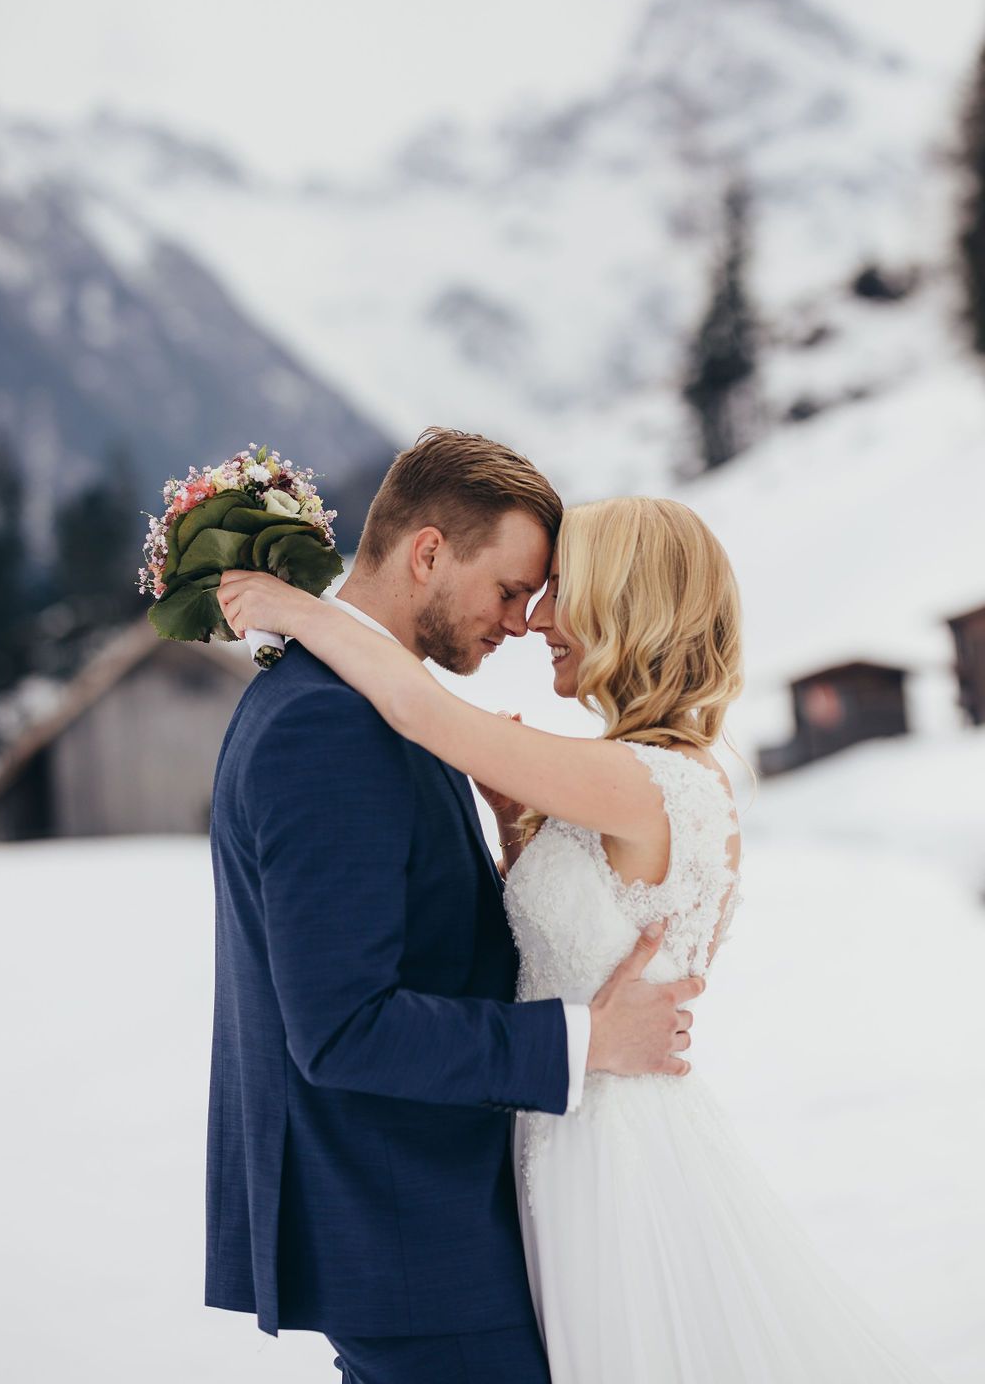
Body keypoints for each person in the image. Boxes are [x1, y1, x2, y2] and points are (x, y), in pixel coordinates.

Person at [220, 492, 942, 1384]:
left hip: (606, 1156)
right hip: (555, 1144)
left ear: (626, 604)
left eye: (561, 589)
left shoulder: (639, 781)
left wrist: (295, 607)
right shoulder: (636, 778)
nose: (537, 621)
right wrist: (523, 834)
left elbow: (419, 709)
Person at [205, 430, 703, 1384]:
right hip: (412, 1237)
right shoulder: (327, 723)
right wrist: (585, 1040)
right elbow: (344, 1027)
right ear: (429, 552)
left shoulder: (364, 703)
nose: (523, 622)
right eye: (512, 590)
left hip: (440, 1225)